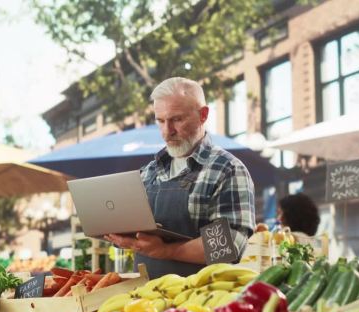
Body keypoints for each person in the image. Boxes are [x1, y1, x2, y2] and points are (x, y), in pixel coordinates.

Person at [105, 77, 256, 278]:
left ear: (203, 115)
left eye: (177, 119)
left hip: (201, 299)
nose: (167, 132)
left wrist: (166, 251)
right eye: (160, 121)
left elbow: (229, 244)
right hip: (145, 301)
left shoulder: (227, 169)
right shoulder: (148, 172)